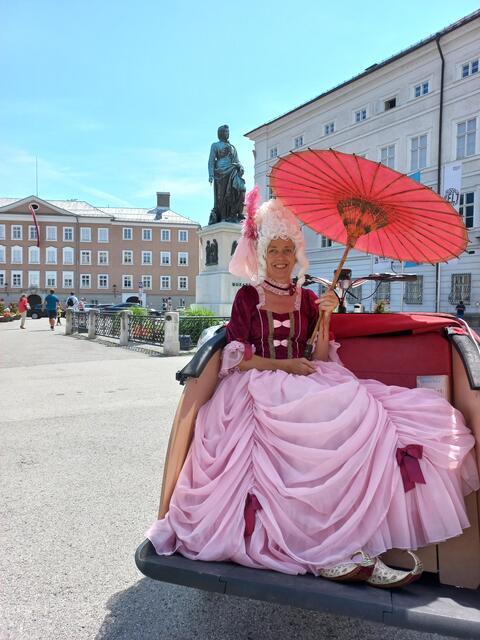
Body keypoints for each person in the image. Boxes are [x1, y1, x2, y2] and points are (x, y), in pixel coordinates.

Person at [147, 191, 479, 588]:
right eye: (274, 250)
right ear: (262, 253)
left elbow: (320, 358)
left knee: (357, 413)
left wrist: (325, 317)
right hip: (254, 387)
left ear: (297, 252)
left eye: (288, 249)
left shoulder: (306, 298)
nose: (282, 258)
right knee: (316, 421)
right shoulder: (247, 297)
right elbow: (238, 357)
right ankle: (324, 550)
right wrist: (285, 366)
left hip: (303, 378)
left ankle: (345, 541)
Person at [208, 124, 246, 224]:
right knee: (222, 195)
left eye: (228, 132)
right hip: (220, 172)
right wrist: (211, 174)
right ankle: (224, 215)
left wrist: (240, 167)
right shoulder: (215, 145)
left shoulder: (233, 147)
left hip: (233, 169)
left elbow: (237, 160)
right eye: (225, 132)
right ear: (220, 133)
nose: (227, 134)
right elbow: (211, 160)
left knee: (239, 189)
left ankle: (235, 213)